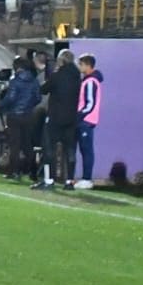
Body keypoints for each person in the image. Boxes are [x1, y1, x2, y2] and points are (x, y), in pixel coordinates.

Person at [37, 49, 81, 191]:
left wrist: (50, 77)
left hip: (55, 118)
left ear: (61, 60)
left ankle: (49, 180)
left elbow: (43, 89)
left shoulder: (57, 75)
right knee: (70, 150)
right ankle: (69, 181)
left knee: (48, 148)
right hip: (72, 119)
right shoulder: (77, 77)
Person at [1, 51, 42, 182]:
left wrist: (1, 105)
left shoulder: (15, 81)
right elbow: (38, 98)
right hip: (28, 116)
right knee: (27, 145)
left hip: (14, 115)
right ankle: (33, 172)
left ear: (17, 67)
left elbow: (11, 98)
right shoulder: (34, 81)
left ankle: (13, 171)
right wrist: (28, 106)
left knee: (15, 145)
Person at [74, 54, 104, 187]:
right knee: (84, 149)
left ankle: (87, 178)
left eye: (81, 64)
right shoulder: (87, 80)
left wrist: (79, 115)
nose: (79, 67)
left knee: (87, 150)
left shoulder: (90, 81)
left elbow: (90, 103)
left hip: (86, 120)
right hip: (86, 119)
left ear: (87, 65)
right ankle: (85, 178)